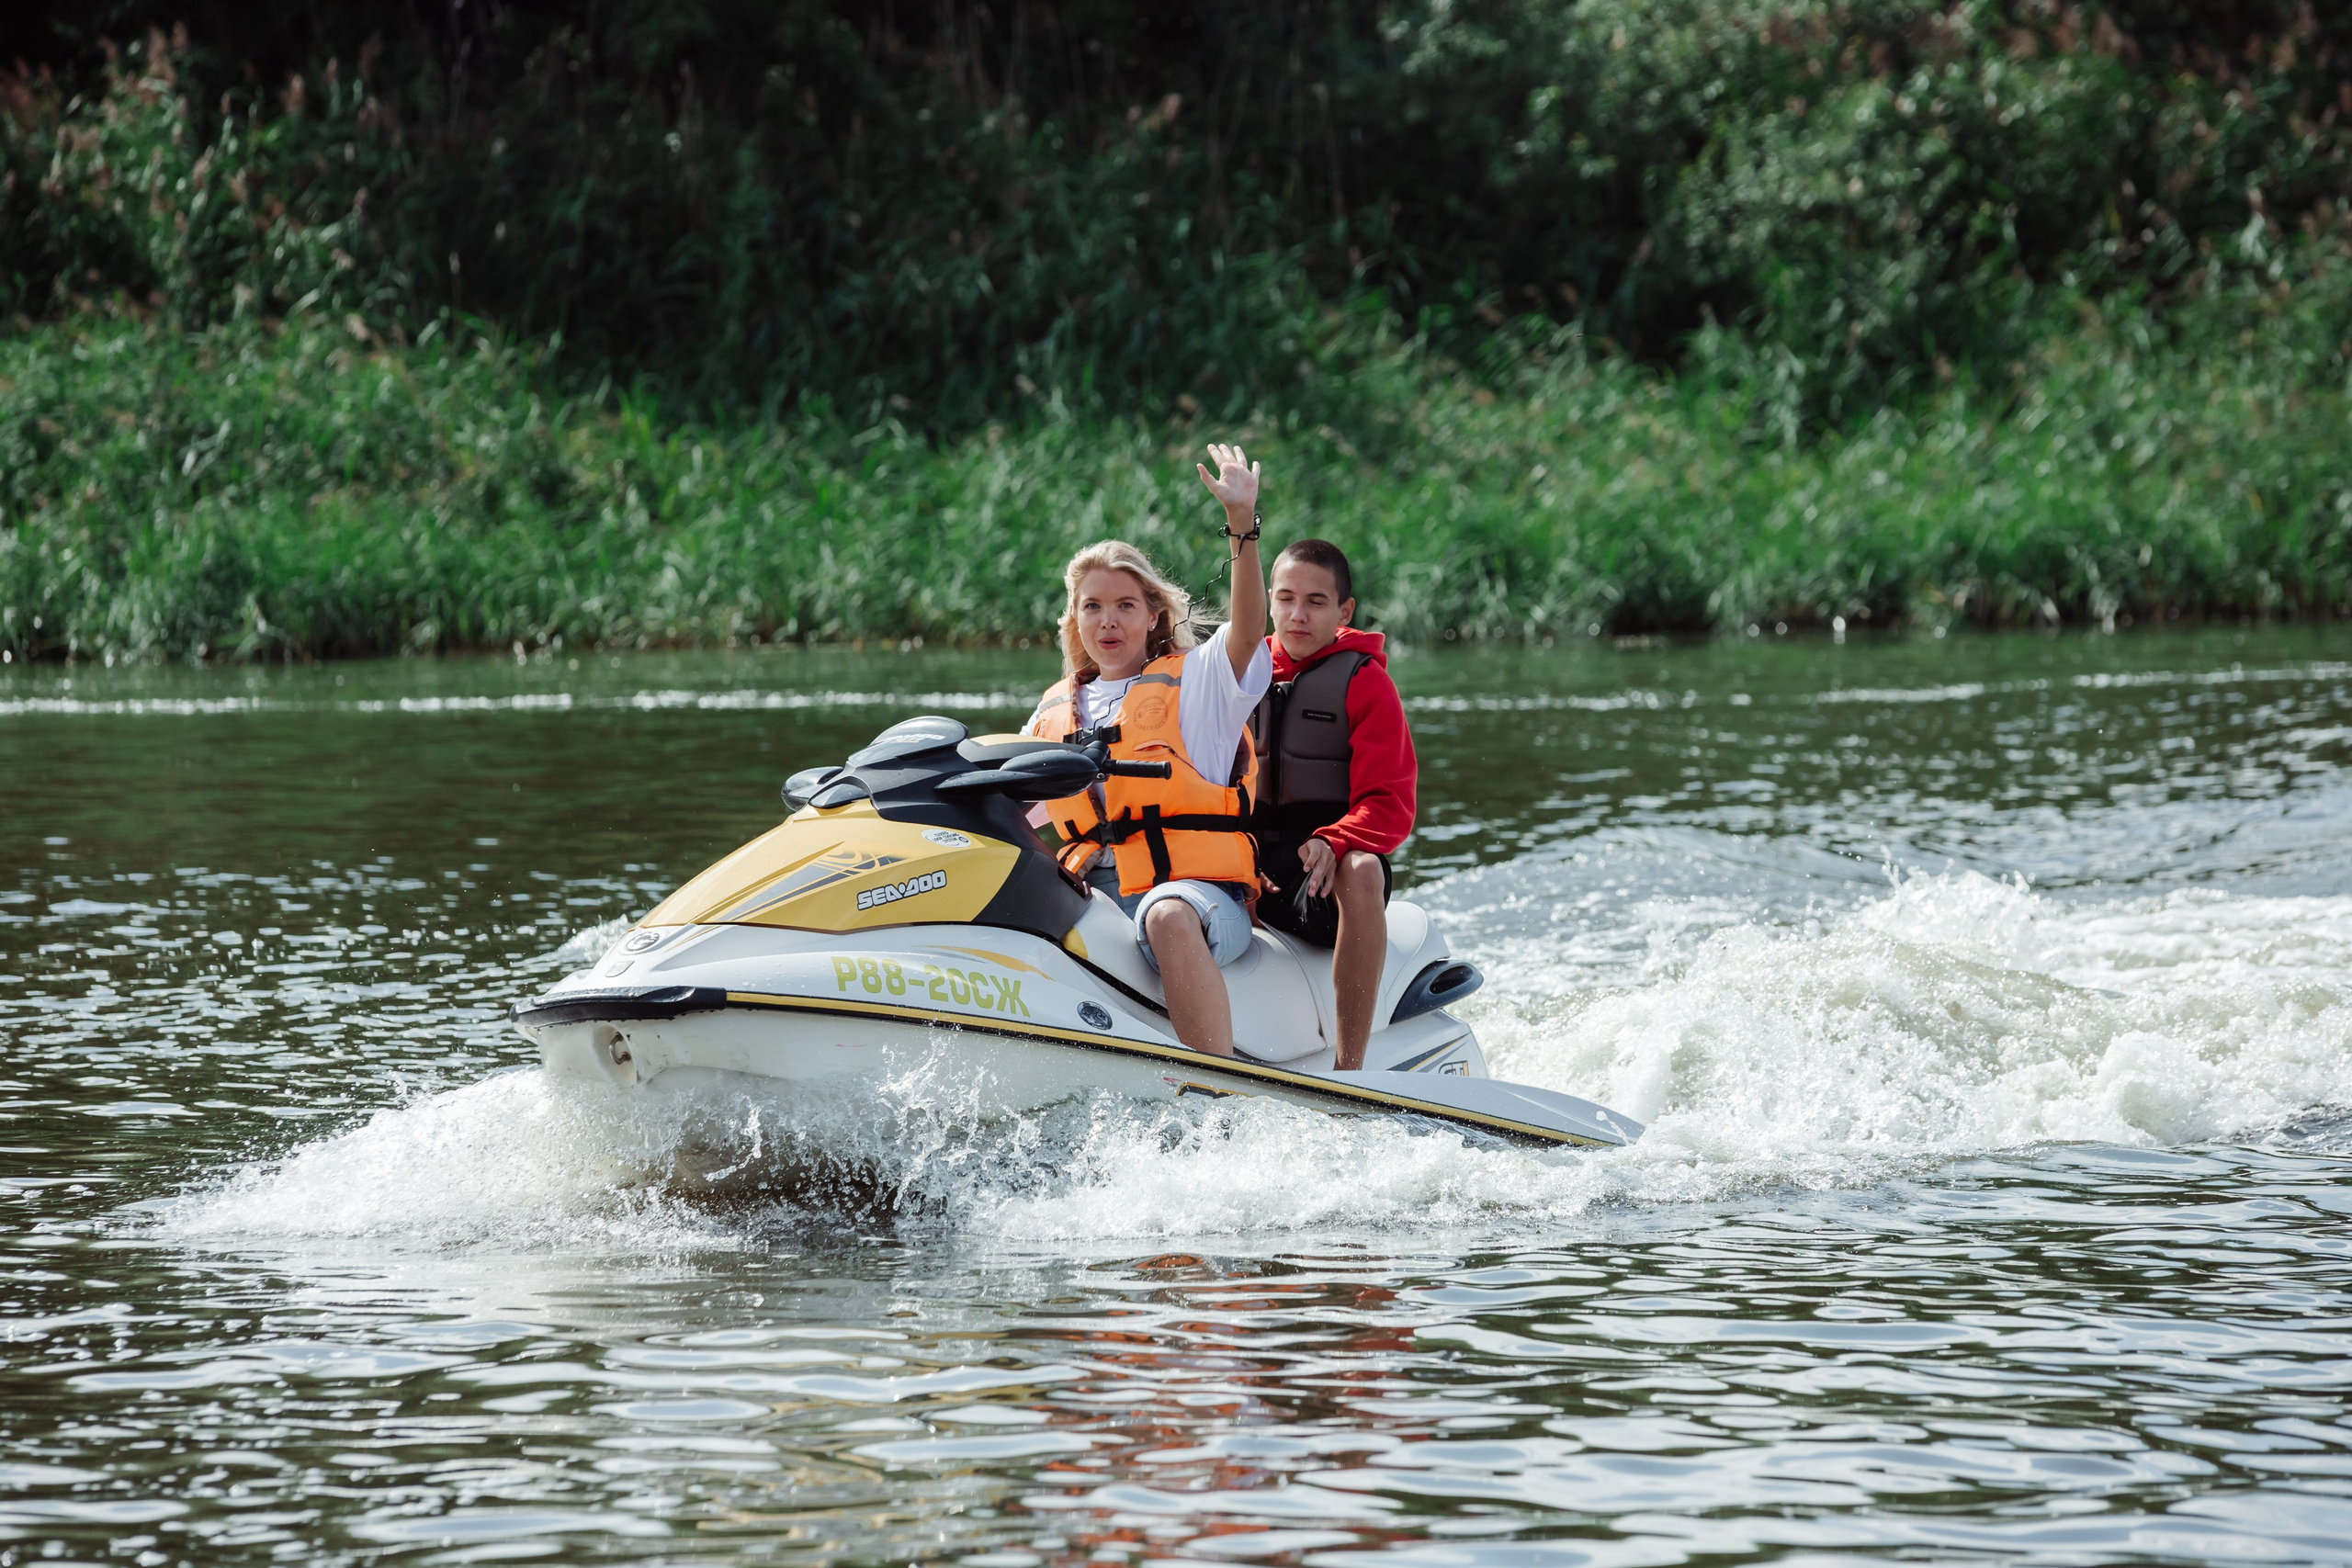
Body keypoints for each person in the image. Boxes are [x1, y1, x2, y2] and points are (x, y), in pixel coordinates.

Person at [1022, 444, 1270, 1057]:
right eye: (1094, 607)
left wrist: (1242, 524)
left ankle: (1217, 1084)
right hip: (1096, 895)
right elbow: (1007, 809)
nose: (1109, 621)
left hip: (1199, 897)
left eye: (1125, 605)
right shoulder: (1056, 710)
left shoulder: (1201, 682)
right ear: (1074, 620)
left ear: (1154, 614)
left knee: (1164, 912)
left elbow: (1246, 629)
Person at [1250, 538, 1416, 1071]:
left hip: (1324, 874)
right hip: (1243, 861)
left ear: (1344, 611)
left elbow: (1388, 802)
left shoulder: (1366, 684)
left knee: (1363, 869)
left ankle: (1350, 1069)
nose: (1297, 615)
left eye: (1317, 602)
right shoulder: (1236, 674)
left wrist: (1334, 838)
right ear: (1269, 602)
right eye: (1286, 598)